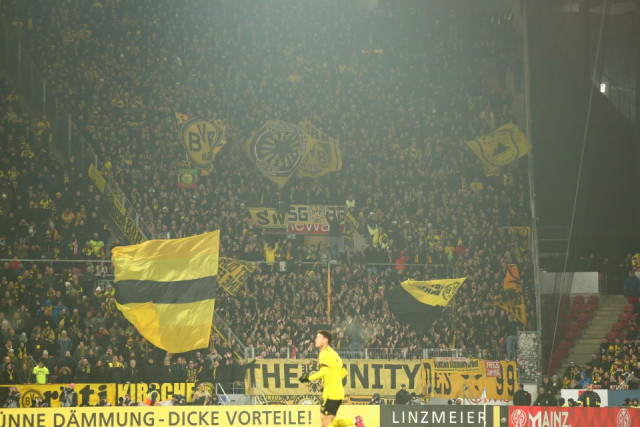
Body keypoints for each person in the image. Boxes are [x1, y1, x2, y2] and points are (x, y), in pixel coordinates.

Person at [298, 330, 364, 427]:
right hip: (338, 393)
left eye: (318, 337)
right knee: (329, 423)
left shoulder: (324, 353)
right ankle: (355, 421)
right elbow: (343, 373)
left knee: (325, 424)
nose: (315, 339)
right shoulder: (334, 354)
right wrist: (329, 383)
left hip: (331, 394)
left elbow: (325, 370)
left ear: (325, 340)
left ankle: (355, 421)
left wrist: (308, 378)